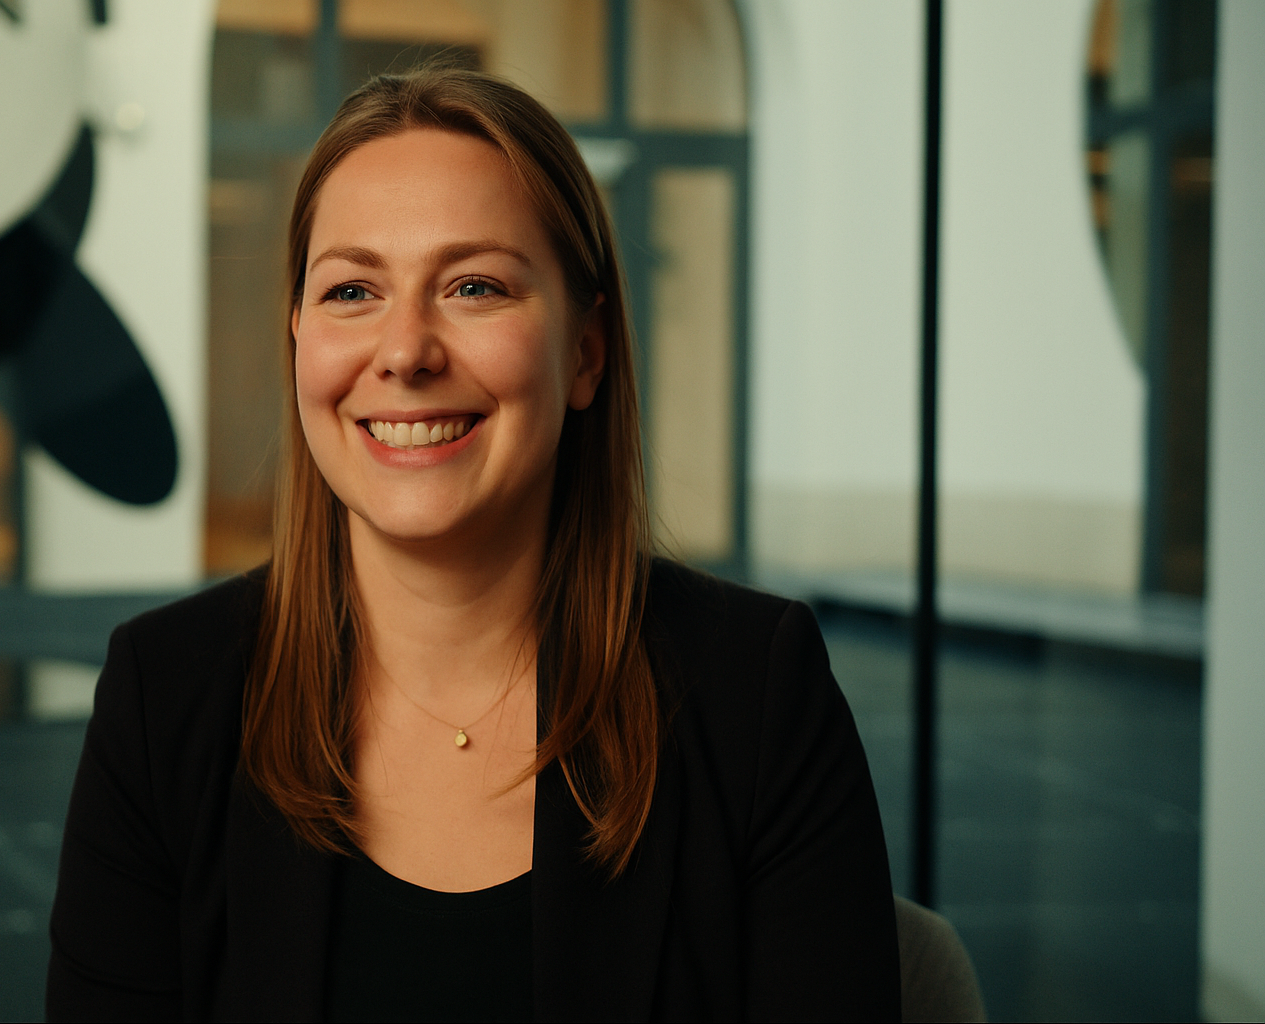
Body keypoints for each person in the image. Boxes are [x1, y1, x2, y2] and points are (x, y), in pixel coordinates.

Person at [46, 65, 899, 1022]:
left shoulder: (758, 699)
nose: (406, 351)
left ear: (586, 350)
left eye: (475, 285)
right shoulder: (163, 699)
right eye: (353, 290)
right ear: (298, 342)